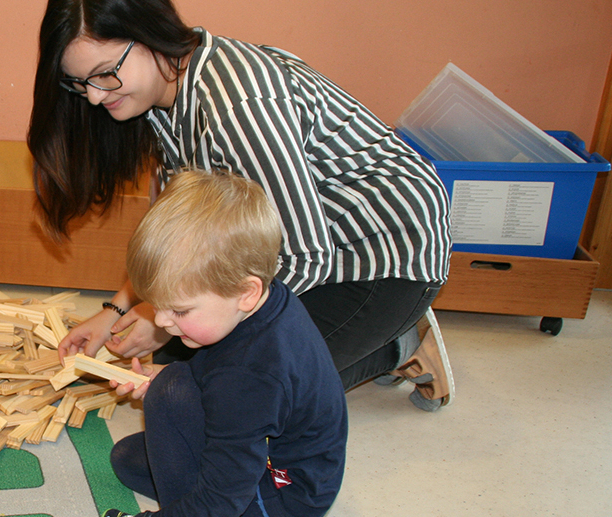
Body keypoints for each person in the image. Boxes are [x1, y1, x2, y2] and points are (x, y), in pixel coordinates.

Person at [30, 0, 454, 410]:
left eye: (104, 75)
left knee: (225, 394)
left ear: (148, 36)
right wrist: (120, 309)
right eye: (79, 82)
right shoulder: (160, 95)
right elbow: (179, 234)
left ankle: (397, 343)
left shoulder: (235, 107)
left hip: (376, 259)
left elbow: (304, 258)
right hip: (304, 250)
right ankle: (367, 339)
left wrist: (177, 331)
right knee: (176, 364)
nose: (93, 97)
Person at [85, 170, 347, 517]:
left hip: (276, 500)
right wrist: (164, 374)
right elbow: (224, 372)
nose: (164, 323)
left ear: (245, 291)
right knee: (129, 461)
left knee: (169, 397)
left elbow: (221, 499)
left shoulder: (252, 377)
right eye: (159, 305)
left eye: (181, 311)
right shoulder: (260, 305)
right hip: (291, 475)